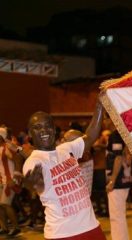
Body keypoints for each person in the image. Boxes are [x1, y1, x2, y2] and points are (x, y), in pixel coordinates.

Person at [22, 99, 106, 240]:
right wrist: (31, 183)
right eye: (37, 127)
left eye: (48, 126)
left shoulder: (66, 149)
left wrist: (100, 107)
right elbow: (34, 184)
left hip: (91, 227)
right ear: (30, 134)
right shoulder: (34, 161)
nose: (44, 130)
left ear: (54, 129)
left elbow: (90, 136)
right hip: (62, 234)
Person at [105, 129, 132, 240]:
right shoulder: (126, 132)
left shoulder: (116, 134)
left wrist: (112, 180)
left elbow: (118, 157)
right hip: (124, 178)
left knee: (116, 217)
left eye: (107, 118)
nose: (105, 122)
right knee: (119, 215)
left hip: (118, 180)